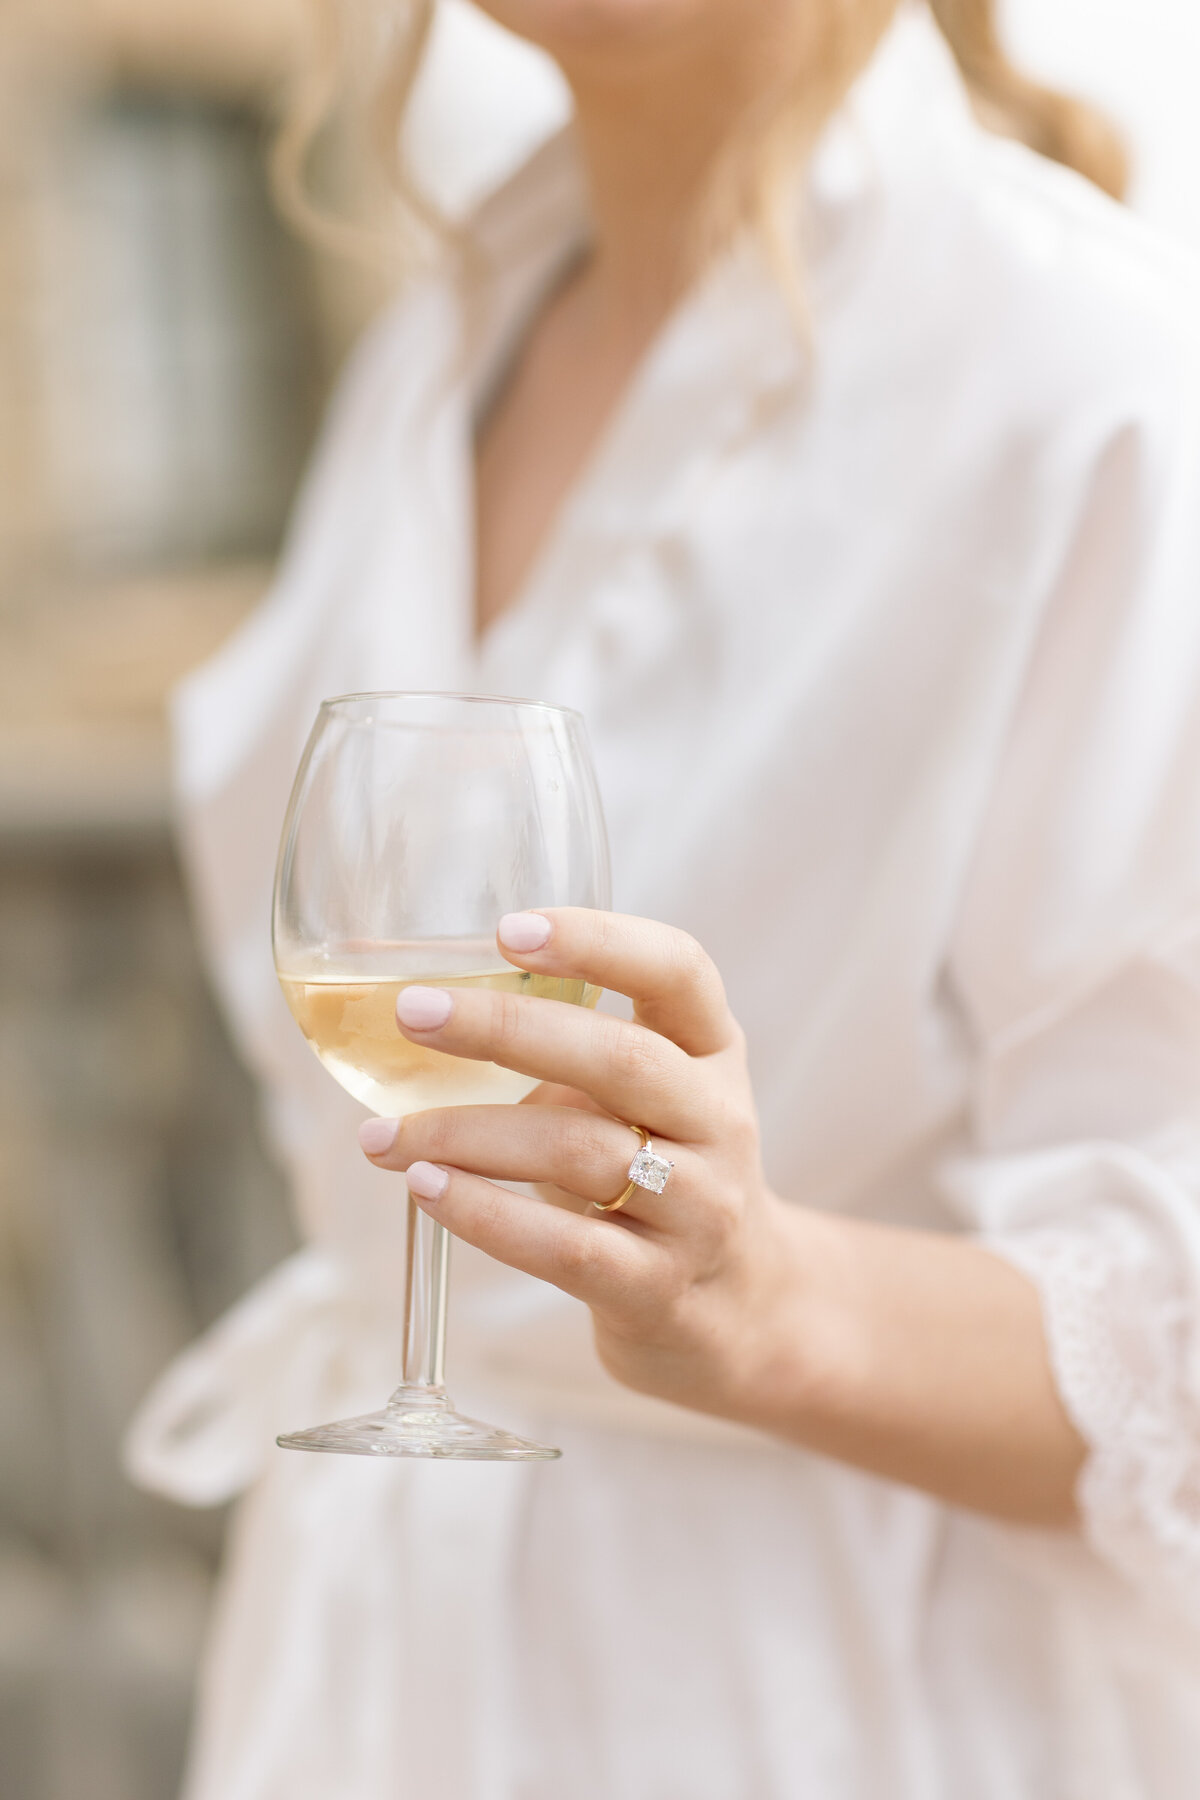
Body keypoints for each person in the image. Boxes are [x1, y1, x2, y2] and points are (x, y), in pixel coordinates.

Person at [127, 1, 1200, 1794]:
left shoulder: (1102, 382)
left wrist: (770, 1296)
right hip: (371, 1677)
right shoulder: (435, 351)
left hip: (828, 1709)